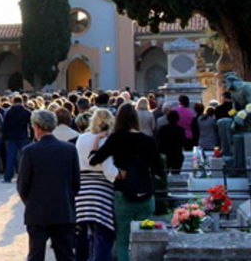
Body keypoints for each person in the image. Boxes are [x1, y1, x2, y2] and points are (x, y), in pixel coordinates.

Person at [89, 104, 164, 261]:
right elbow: (159, 171)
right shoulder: (148, 140)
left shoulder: (115, 139)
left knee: (123, 240)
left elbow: (94, 161)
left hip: (123, 193)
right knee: (144, 239)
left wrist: (97, 141)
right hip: (145, 192)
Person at [18, 110, 80, 261]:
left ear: (37, 127)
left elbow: (22, 185)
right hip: (62, 209)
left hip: (37, 210)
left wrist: (31, 202)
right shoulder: (69, 149)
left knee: (36, 255)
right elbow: (76, 183)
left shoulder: (30, 151)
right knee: (66, 254)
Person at [74, 109, 117, 261]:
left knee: (87, 235)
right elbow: (108, 169)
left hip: (82, 189)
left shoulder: (81, 138)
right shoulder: (107, 140)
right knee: (103, 236)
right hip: (101, 189)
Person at [2, 96, 31, 183]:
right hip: (24, 136)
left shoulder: (8, 112)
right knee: (24, 158)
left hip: (11, 137)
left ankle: (8, 177)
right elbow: (31, 125)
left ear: (13, 102)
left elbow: (5, 126)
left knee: (10, 157)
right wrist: (32, 136)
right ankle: (24, 177)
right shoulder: (27, 112)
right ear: (22, 102)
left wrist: (5, 137)